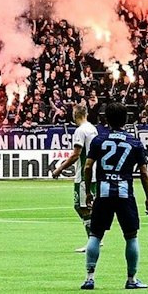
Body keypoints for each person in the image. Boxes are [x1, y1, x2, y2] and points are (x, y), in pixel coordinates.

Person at [80, 103, 148, 291]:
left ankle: (89, 278)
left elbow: (88, 167)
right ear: (126, 119)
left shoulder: (98, 140)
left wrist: (88, 191)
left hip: (103, 192)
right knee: (131, 236)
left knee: (95, 235)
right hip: (124, 193)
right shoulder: (134, 142)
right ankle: (131, 279)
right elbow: (144, 173)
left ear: (106, 120)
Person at [53, 104, 100, 253]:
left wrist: (59, 169)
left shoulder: (80, 131)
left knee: (81, 206)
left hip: (84, 175)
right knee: (88, 206)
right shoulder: (93, 128)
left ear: (76, 115)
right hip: (94, 173)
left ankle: (93, 240)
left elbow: (75, 155)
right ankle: (96, 237)